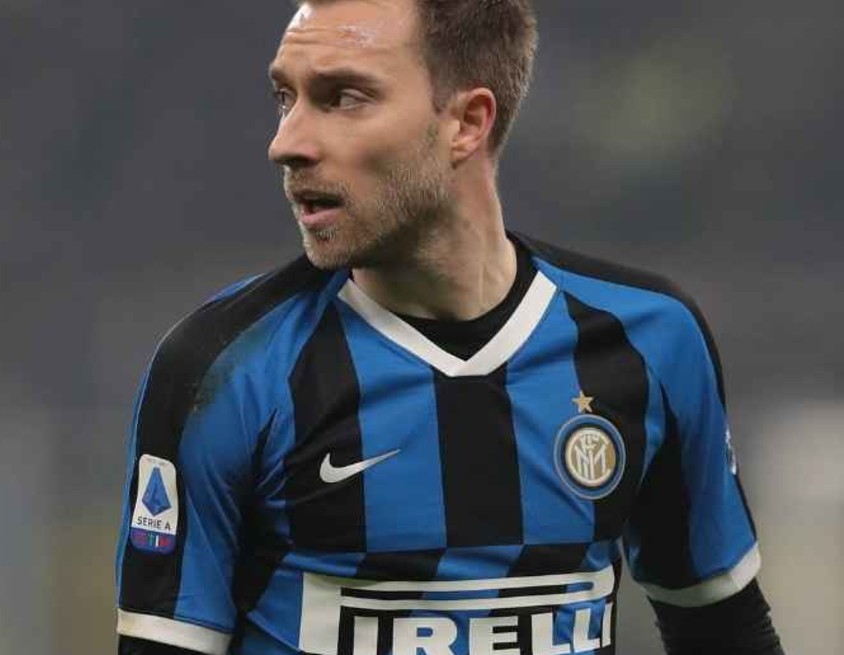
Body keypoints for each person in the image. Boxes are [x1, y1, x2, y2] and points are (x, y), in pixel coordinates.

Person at [114, 1, 783, 653]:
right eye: (285, 98)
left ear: (467, 122)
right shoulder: (225, 371)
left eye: (343, 98)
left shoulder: (648, 343)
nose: (286, 143)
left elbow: (725, 632)